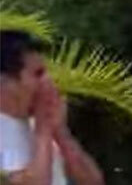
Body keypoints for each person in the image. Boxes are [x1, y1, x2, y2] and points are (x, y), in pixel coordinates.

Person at [0, 30, 104, 185]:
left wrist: (60, 132)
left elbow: (93, 181)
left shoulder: (38, 124)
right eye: (38, 74)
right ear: (6, 82)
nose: (48, 82)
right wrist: (43, 131)